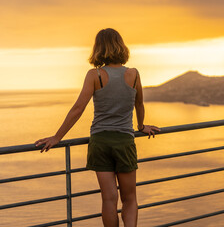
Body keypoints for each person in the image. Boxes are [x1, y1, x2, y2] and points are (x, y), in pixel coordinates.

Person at [35, 28, 160, 227]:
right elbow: (139, 104)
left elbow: (78, 108)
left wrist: (57, 137)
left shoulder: (95, 75)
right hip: (124, 142)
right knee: (129, 198)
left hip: (100, 143)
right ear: (121, 46)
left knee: (109, 199)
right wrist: (142, 126)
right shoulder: (133, 74)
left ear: (98, 48)